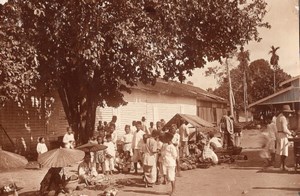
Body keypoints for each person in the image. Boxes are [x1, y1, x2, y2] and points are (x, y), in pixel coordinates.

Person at [275, 104, 294, 171]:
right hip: (282, 135)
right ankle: (283, 166)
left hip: (279, 134)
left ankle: (282, 165)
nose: (288, 114)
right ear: (285, 112)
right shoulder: (283, 118)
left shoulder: (279, 116)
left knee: (282, 152)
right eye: (288, 112)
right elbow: (284, 129)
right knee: (284, 152)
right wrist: (291, 133)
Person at [161, 132, 177, 196]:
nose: (164, 139)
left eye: (165, 138)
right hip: (166, 163)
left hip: (171, 163)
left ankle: (173, 190)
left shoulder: (172, 147)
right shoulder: (166, 145)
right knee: (168, 176)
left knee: (171, 177)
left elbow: (175, 155)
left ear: (169, 139)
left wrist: (171, 160)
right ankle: (172, 189)